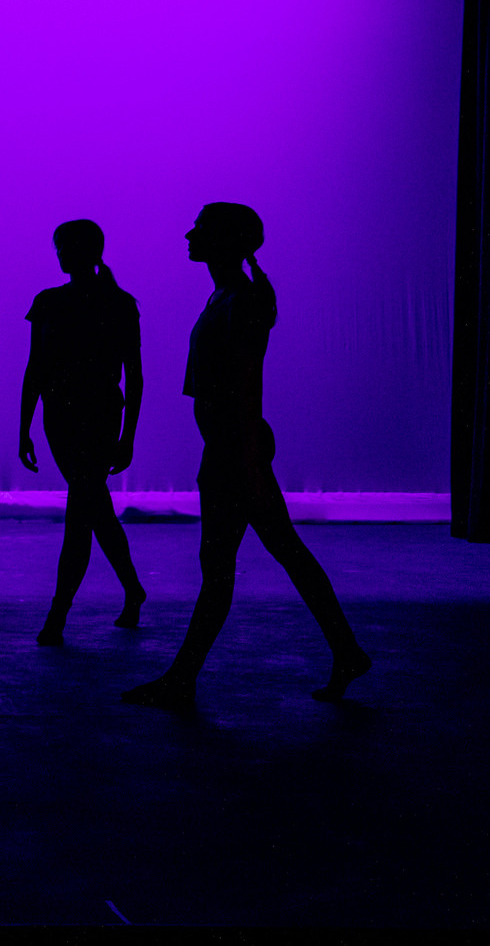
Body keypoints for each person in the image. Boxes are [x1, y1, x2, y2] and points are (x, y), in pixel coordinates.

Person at [122, 203, 371, 709]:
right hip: (231, 449)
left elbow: (244, 383)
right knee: (280, 553)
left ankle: (182, 678)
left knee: (226, 565)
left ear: (224, 241)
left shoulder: (242, 300)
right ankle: (344, 650)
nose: (188, 234)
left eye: (201, 230)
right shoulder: (227, 296)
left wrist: (246, 459)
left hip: (233, 452)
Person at [20, 219, 149, 645]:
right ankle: (132, 589)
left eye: (62, 247)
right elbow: (132, 377)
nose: (58, 254)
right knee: (95, 507)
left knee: (82, 509)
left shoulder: (55, 302)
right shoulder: (118, 303)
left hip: (70, 417)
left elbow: (37, 370)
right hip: (84, 417)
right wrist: (127, 434)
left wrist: (25, 428)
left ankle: (58, 613)